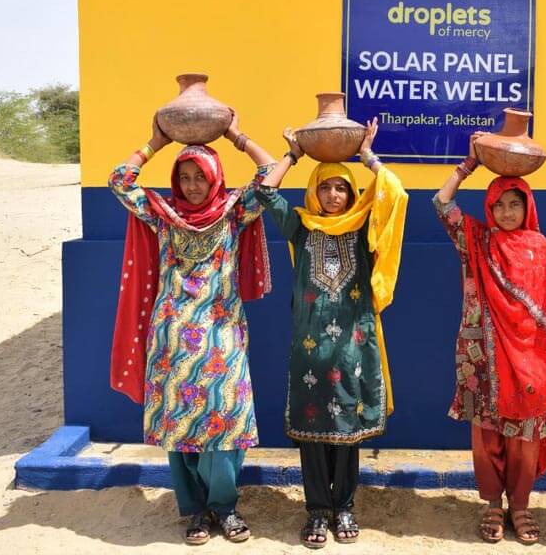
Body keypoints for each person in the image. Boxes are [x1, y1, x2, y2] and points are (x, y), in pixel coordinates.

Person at [108, 114, 275, 545]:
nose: (192, 186)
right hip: (172, 335)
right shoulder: (162, 214)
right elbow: (120, 180)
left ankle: (226, 506)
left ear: (214, 177)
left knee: (225, 420)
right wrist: (155, 142)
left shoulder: (234, 212)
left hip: (222, 331)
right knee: (180, 426)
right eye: (184, 177)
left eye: (200, 176)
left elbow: (270, 173)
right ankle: (196, 511)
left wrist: (237, 135)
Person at [255, 119, 407, 549]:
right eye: (327, 188)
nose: (335, 196)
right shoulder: (300, 227)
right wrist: (294, 154)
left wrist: (367, 157)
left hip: (351, 349)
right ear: (314, 193)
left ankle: (345, 508)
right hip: (309, 352)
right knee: (311, 433)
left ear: (353, 194)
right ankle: (317, 511)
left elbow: (395, 192)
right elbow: (266, 191)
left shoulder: (361, 229)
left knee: (347, 431)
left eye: (342, 188)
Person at [433, 133, 546, 545]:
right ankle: (493, 504)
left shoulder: (541, 247)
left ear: (528, 206)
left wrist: (545, 359)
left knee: (524, 438)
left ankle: (521, 505)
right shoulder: (477, 240)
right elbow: (442, 204)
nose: (507, 212)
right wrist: (468, 165)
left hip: (530, 359)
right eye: (499, 204)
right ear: (489, 207)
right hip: (482, 357)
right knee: (487, 434)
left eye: (515, 203)